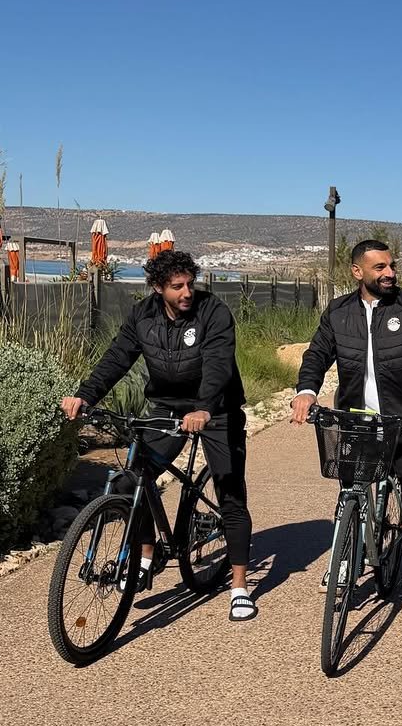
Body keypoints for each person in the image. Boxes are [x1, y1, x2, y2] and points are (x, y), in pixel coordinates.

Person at [60, 250, 256, 621]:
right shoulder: (143, 315)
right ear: (157, 288)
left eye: (190, 284)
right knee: (133, 478)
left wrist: (204, 408)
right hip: (168, 406)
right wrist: (85, 396)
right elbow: (117, 357)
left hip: (217, 409)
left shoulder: (213, 312)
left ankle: (239, 586)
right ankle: (147, 553)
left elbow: (218, 364)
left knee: (230, 492)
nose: (187, 292)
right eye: (177, 286)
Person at [291, 239, 402, 621]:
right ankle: (347, 556)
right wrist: (306, 391)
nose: (390, 273)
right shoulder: (338, 312)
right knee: (350, 492)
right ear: (357, 271)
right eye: (380, 267)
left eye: (391, 266)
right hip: (357, 422)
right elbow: (317, 354)